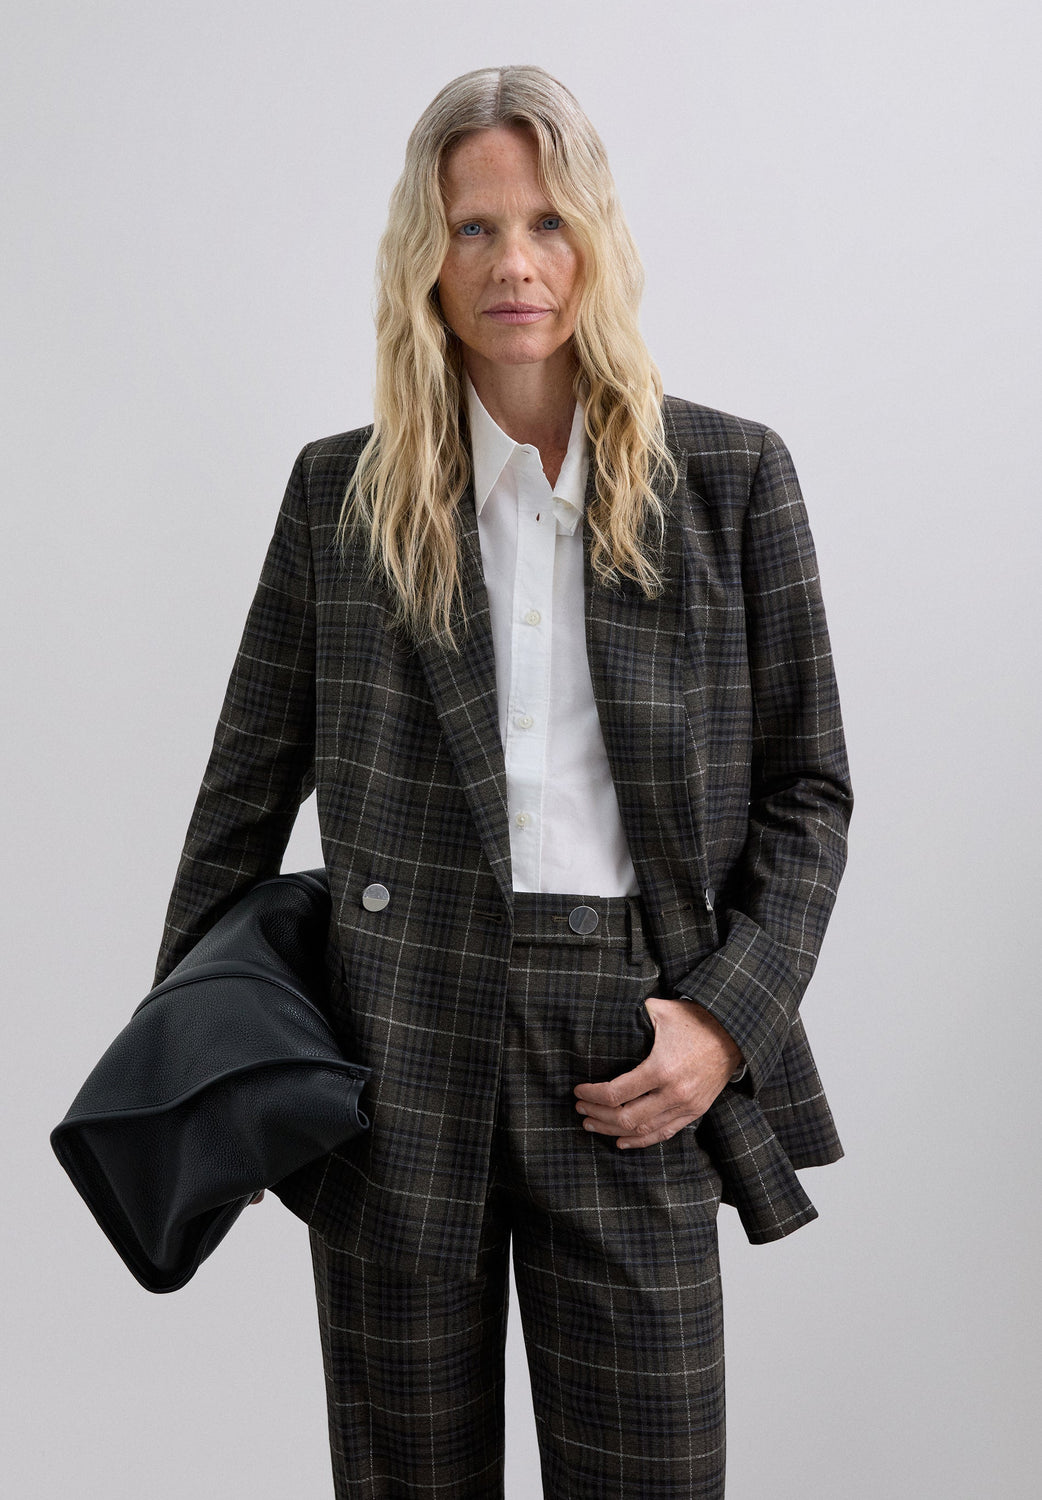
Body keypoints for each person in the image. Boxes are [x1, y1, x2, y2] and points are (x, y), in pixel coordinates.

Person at [153, 64, 852, 1500]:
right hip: (394, 1042)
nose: (513, 265)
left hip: (631, 1042)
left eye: (545, 222)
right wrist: (209, 1065)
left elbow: (807, 793)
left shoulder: (730, 478)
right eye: (472, 228)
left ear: (595, 239)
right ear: (425, 257)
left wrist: (725, 1023)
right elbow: (241, 797)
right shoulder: (340, 498)